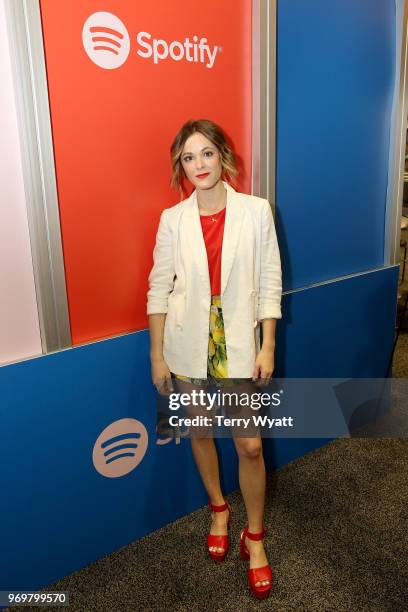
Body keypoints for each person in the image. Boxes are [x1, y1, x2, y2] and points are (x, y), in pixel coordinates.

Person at [147, 119, 282, 599]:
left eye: (206, 153)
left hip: (238, 341)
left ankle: (256, 537)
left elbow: (269, 281)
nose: (198, 165)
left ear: (223, 155)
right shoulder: (172, 219)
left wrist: (267, 345)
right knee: (200, 431)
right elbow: (158, 289)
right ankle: (219, 509)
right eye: (188, 157)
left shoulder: (256, 210)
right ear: (179, 166)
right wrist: (157, 355)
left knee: (249, 445)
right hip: (187, 343)